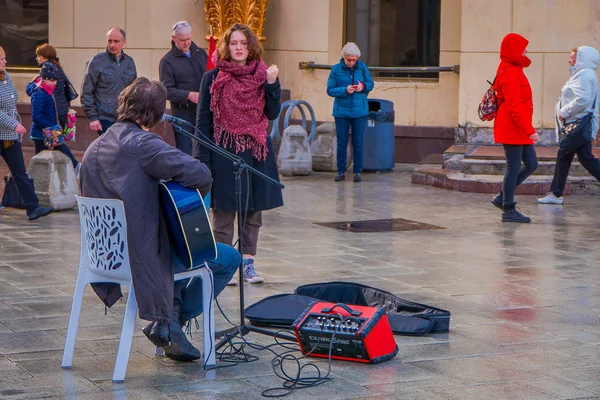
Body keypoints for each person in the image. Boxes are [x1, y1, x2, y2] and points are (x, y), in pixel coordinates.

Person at [79, 77, 239, 362]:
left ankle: (169, 315)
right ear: (154, 113)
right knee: (226, 257)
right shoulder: (144, 143)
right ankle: (173, 318)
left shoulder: (96, 145)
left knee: (173, 233)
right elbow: (201, 175)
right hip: (142, 257)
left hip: (105, 256)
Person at [195, 23, 283, 285]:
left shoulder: (263, 74)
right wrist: (202, 161)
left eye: (243, 43)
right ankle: (224, 265)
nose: (239, 48)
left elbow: (272, 113)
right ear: (226, 46)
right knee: (223, 212)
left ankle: (247, 264)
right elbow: (203, 122)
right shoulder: (213, 77)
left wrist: (272, 84)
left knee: (252, 211)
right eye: (234, 43)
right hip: (223, 152)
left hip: (255, 151)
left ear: (251, 46)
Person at [537, 46, 600, 205]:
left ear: (581, 59)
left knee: (567, 155)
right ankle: (555, 193)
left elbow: (583, 99)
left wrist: (564, 112)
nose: (569, 60)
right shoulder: (583, 74)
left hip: (577, 124)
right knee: (583, 158)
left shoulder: (584, 75)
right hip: (580, 125)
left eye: (572, 57)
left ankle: (556, 194)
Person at [489, 33, 539, 223]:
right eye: (523, 48)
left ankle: (502, 197)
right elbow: (514, 105)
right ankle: (508, 209)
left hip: (518, 126)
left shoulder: (515, 68)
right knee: (514, 166)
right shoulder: (509, 71)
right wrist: (530, 130)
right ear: (514, 50)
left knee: (532, 164)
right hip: (512, 126)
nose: (526, 51)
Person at [0, 46, 53, 220]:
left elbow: (13, 99)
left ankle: (33, 207)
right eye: (2, 59)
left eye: (5, 58)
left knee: (20, 172)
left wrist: (15, 126)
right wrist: (14, 124)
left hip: (8, 137)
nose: (5, 62)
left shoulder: (6, 76)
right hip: (8, 129)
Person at [326, 42, 374, 183]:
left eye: (354, 60)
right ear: (344, 57)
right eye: (349, 60)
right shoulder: (335, 69)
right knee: (342, 141)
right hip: (342, 111)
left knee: (358, 142)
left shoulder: (363, 68)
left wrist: (362, 86)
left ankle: (357, 172)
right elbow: (330, 89)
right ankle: (341, 171)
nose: (351, 62)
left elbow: (370, 84)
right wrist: (344, 90)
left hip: (360, 111)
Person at [159, 21, 208, 155]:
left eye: (189, 39)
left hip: (203, 111)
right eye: (182, 40)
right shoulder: (167, 61)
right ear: (174, 39)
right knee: (184, 153)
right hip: (182, 115)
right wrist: (188, 95)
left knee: (205, 151)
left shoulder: (201, 54)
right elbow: (166, 91)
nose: (186, 43)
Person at [81, 27, 137, 135]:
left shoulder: (129, 62)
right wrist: (93, 117)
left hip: (125, 117)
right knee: (111, 148)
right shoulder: (96, 62)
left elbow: (134, 90)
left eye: (116, 41)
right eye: (109, 41)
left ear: (123, 42)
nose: (112, 45)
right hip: (104, 117)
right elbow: (86, 91)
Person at [26, 62, 79, 171]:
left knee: (59, 148)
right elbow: (36, 116)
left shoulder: (47, 91)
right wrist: (52, 125)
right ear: (44, 79)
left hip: (48, 131)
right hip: (41, 134)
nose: (55, 83)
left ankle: (75, 167)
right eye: (52, 80)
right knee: (43, 159)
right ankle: (76, 167)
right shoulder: (39, 93)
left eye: (55, 80)